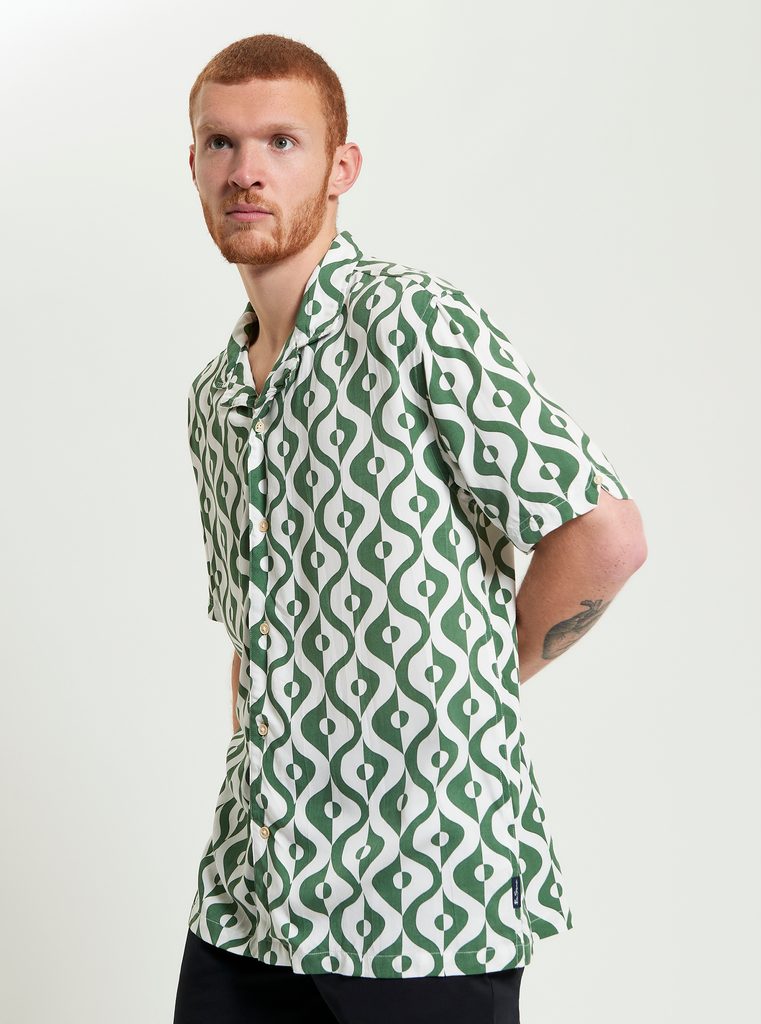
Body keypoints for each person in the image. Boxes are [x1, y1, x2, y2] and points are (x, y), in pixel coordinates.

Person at [173, 32, 647, 1024]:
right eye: (221, 142)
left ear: (341, 167)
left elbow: (604, 533)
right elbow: (250, 637)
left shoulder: (410, 321)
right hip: (256, 890)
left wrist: (485, 674)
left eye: (281, 141)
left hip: (424, 883)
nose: (246, 169)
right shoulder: (216, 395)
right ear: (194, 164)